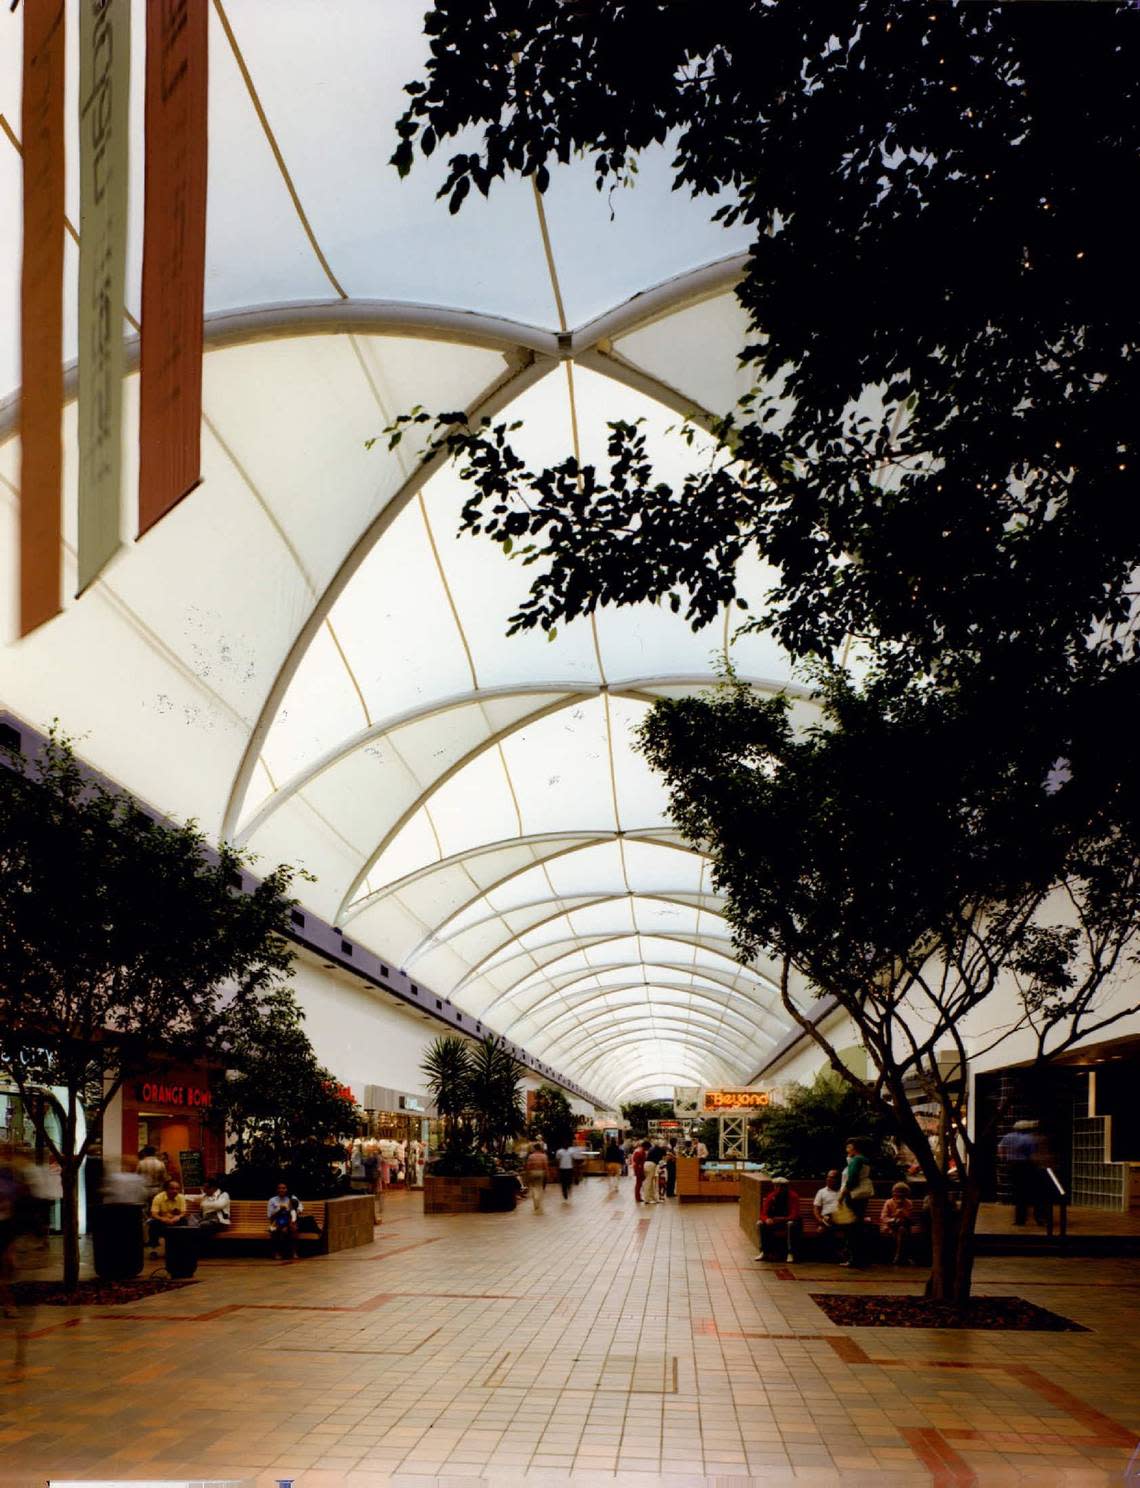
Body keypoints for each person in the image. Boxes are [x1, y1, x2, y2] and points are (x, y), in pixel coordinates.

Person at [997, 1120, 1044, 1226]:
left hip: (1013, 1166)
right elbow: (1033, 1155)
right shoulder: (1028, 1138)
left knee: (1018, 1194)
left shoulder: (1008, 1137)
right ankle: (1038, 1218)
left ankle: (1020, 1220)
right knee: (1033, 1193)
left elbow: (1000, 1149)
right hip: (1026, 1166)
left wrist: (1004, 1158)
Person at [838, 1137, 873, 1268]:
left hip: (853, 1196)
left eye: (849, 1147)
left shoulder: (856, 1160)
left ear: (855, 1148)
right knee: (857, 1226)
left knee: (852, 1228)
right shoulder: (864, 1160)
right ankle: (859, 1258)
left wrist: (841, 1196)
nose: (846, 1149)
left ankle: (854, 1258)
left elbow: (851, 1179)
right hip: (861, 1196)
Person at [755, 1176, 802, 1262]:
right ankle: (764, 1251)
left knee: (790, 1224)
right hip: (775, 1222)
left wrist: (781, 1219)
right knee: (760, 1223)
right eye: (776, 1186)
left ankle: (790, 1252)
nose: (778, 1188)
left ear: (785, 1187)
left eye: (780, 1186)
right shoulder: (771, 1196)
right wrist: (766, 1219)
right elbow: (763, 1213)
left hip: (789, 1221)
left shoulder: (793, 1196)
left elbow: (794, 1215)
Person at [147, 1178, 187, 1257]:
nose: (175, 1191)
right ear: (166, 1189)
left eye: (177, 1189)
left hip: (175, 1220)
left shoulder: (181, 1197)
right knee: (153, 1224)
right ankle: (153, 1249)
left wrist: (178, 1217)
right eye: (172, 1188)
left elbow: (183, 1212)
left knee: (184, 1222)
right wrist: (163, 1219)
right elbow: (154, 1214)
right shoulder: (158, 1198)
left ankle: (178, 1248)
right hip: (162, 1220)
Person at [880, 1182, 914, 1264]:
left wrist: (903, 1213)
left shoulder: (908, 1203)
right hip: (891, 1226)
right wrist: (894, 1218)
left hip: (903, 1227)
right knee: (901, 1231)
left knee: (901, 1230)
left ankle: (898, 1256)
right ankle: (902, 1257)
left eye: (902, 1194)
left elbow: (909, 1217)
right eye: (897, 1193)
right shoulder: (889, 1202)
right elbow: (884, 1217)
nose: (899, 1196)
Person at [267, 1183, 303, 1260]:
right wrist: (280, 1209)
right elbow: (270, 1215)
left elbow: (300, 1207)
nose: (281, 1190)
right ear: (277, 1190)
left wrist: (295, 1210)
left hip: (289, 1220)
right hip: (277, 1220)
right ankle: (277, 1252)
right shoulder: (272, 1200)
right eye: (280, 1188)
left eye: (284, 1188)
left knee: (294, 1229)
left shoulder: (291, 1198)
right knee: (277, 1230)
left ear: (287, 1189)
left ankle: (294, 1252)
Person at [812, 1169, 843, 1257]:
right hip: (826, 1219)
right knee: (823, 1228)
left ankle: (836, 1253)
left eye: (832, 1178)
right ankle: (833, 1253)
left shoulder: (843, 1192)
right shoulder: (821, 1192)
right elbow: (816, 1208)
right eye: (828, 1177)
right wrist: (819, 1219)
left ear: (838, 1179)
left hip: (841, 1218)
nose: (828, 1179)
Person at [197, 1176, 231, 1242]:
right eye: (203, 1187)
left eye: (206, 1188)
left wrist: (204, 1204)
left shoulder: (224, 1195)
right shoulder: (206, 1196)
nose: (203, 1190)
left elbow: (219, 1205)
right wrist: (181, 1196)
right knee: (194, 1222)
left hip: (220, 1222)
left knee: (203, 1225)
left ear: (213, 1188)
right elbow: (194, 1197)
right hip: (207, 1220)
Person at [525, 1142, 548, 1213]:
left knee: (534, 1187)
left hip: (533, 1173)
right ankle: (539, 1202)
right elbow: (545, 1166)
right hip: (540, 1172)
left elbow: (528, 1166)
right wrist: (547, 1173)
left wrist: (527, 1174)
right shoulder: (543, 1156)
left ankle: (536, 1204)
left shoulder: (531, 1156)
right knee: (540, 1187)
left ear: (534, 1148)